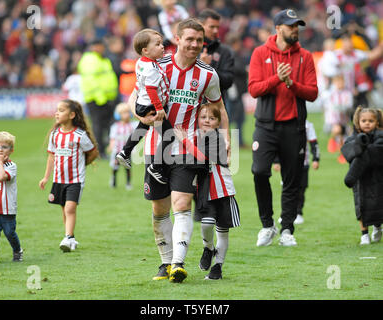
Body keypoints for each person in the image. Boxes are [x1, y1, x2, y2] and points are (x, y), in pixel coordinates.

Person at [129, 18, 230, 283]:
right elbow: (134, 97)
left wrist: (226, 139)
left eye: (199, 40)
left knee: (182, 203)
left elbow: (218, 108)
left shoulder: (208, 74)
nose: (195, 45)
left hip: (188, 148)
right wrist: (142, 117)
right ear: (178, 39)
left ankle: (178, 263)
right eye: (190, 39)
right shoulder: (156, 65)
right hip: (155, 146)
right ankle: (165, 262)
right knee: (159, 210)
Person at [248, 9, 318, 247]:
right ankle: (268, 225)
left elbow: (312, 93)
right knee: (259, 172)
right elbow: (254, 89)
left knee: (292, 179)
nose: (295, 29)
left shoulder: (305, 56)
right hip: (266, 126)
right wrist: (278, 79)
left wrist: (292, 84)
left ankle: (287, 229)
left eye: (297, 25)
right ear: (278, 29)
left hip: (294, 127)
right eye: (290, 26)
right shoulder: (260, 53)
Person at [174, 103, 239, 280]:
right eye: (203, 117)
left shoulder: (218, 138)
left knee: (222, 230)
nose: (207, 121)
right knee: (206, 224)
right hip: (205, 189)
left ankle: (218, 266)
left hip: (223, 189)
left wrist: (184, 141)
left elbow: (203, 158)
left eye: (212, 118)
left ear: (218, 122)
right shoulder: (195, 136)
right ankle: (208, 248)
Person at [39, 99, 99, 252]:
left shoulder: (79, 135)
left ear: (72, 115)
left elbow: (93, 152)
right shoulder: (55, 135)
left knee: (70, 208)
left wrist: (81, 165)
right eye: (57, 110)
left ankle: (68, 237)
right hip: (58, 179)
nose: (56, 113)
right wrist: (46, 177)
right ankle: (69, 236)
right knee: (64, 208)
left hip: (75, 180)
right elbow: (51, 156)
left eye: (61, 110)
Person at [116, 29, 172, 185]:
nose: (162, 47)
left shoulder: (142, 62)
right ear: (145, 50)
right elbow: (151, 89)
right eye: (158, 44)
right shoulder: (152, 69)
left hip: (141, 104)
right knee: (169, 135)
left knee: (142, 127)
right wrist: (159, 108)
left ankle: (125, 151)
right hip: (150, 106)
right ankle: (156, 166)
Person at [341, 106, 383, 245]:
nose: (367, 123)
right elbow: (347, 151)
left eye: (370, 120)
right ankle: (364, 234)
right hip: (360, 179)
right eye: (363, 120)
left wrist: (365, 152)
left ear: (377, 122)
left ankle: (377, 227)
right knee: (360, 206)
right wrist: (359, 147)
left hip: (377, 177)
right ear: (358, 122)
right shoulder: (352, 138)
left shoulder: (380, 137)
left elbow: (379, 153)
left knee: (378, 204)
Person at [77, 39, 118, 159]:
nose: (103, 48)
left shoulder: (102, 59)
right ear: (95, 47)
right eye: (101, 46)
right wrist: (101, 98)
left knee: (106, 126)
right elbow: (91, 81)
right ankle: (99, 151)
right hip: (97, 99)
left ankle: (103, 149)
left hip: (106, 99)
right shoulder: (90, 60)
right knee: (98, 126)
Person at [273, 120, 320, 225]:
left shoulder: (308, 125)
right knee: (286, 188)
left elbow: (314, 143)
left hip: (303, 163)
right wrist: (276, 160)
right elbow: (277, 143)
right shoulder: (283, 124)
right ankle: (285, 214)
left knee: (301, 189)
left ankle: (298, 213)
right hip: (287, 163)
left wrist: (316, 159)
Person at [0, 131, 22, 264]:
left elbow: (2, 177)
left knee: (9, 233)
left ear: (11, 150)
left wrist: (0, 162)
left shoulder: (11, 166)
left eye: (4, 147)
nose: (0, 150)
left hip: (8, 209)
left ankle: (17, 250)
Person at [197, 9, 234, 104]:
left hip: (216, 106)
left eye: (217, 27)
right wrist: (199, 65)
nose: (216, 31)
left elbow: (228, 81)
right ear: (201, 26)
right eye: (212, 27)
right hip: (192, 105)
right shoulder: (190, 48)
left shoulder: (225, 51)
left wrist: (208, 69)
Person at [321, 73, 353, 163]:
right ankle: (334, 142)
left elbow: (349, 105)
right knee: (337, 130)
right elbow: (327, 105)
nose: (340, 84)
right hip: (333, 120)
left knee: (348, 135)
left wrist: (341, 107)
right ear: (334, 83)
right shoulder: (330, 93)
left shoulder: (347, 93)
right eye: (338, 82)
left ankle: (342, 152)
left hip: (344, 120)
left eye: (341, 82)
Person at [108, 102, 137, 189]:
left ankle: (128, 183)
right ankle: (113, 180)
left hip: (127, 151)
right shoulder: (115, 127)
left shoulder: (132, 125)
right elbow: (113, 138)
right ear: (118, 115)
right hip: (117, 150)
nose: (126, 115)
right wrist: (111, 146)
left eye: (128, 112)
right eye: (124, 113)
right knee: (115, 166)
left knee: (127, 167)